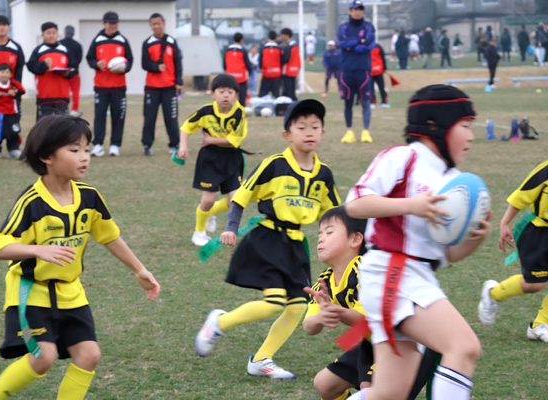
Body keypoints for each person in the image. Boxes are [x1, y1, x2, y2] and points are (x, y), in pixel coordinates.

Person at [0, 114, 160, 400]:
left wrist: (139, 270)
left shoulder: (90, 197)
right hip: (31, 292)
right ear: (46, 156)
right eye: (74, 150)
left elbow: (109, 235)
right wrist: (37, 249)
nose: (84, 158)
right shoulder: (32, 202)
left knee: (89, 355)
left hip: (71, 292)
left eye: (87, 150)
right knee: (44, 357)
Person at [345, 84, 492, 400]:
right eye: (465, 126)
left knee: (389, 394)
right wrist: (412, 205)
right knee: (463, 347)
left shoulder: (450, 179)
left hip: (413, 276)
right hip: (391, 273)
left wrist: (476, 239)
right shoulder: (403, 157)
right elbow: (355, 204)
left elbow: (448, 255)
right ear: (433, 125)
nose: (471, 136)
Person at [194, 99, 341, 379]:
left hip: (296, 246)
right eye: (301, 127)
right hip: (267, 238)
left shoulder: (324, 174)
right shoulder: (274, 165)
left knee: (298, 306)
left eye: (315, 126)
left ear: (322, 132)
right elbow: (241, 196)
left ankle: (261, 360)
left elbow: (333, 215)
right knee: (274, 302)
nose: (309, 131)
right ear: (287, 135)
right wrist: (232, 227)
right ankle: (219, 322)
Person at [304, 206, 439, 400]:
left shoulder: (369, 271)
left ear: (356, 239)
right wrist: (320, 317)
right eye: (320, 233)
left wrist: (335, 311)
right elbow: (309, 327)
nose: (321, 238)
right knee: (324, 384)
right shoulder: (323, 283)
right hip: (373, 343)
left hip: (408, 343)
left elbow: (364, 318)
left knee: (371, 391)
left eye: (329, 232)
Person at [478, 159, 548, 342]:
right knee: (534, 284)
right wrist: (504, 222)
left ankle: (540, 325)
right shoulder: (546, 170)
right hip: (539, 232)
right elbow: (522, 195)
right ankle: (493, 293)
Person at [177, 74, 247, 247]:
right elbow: (186, 127)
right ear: (213, 94)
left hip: (232, 157)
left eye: (230, 92)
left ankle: (211, 212)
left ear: (236, 96)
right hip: (210, 158)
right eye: (221, 91)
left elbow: (234, 140)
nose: (226, 95)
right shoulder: (205, 111)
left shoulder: (239, 113)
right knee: (207, 200)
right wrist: (183, 146)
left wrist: (211, 139)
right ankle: (198, 232)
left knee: (235, 200)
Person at [86, 11, 133, 157]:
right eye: (109, 23)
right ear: (103, 23)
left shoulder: (122, 40)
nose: (112, 26)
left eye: (115, 23)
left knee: (118, 116)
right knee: (99, 116)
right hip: (101, 86)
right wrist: (96, 64)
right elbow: (89, 58)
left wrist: (124, 67)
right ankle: (98, 145)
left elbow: (130, 61)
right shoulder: (97, 40)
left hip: (119, 86)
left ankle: (115, 145)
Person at [141, 12, 183, 157]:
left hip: (169, 87)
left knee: (171, 118)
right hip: (152, 88)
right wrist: (155, 66)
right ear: (150, 25)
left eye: (159, 23)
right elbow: (144, 63)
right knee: (149, 118)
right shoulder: (147, 43)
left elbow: (178, 63)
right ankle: (147, 145)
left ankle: (174, 144)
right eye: (153, 24)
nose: (156, 26)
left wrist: (179, 81)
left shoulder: (172, 42)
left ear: (163, 23)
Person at [337, 0, 375, 144]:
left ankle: (366, 131)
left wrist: (350, 45)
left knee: (365, 101)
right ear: (350, 11)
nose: (358, 12)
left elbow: (370, 44)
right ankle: (349, 131)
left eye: (360, 9)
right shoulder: (344, 27)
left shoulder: (369, 26)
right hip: (346, 69)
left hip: (363, 69)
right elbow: (341, 42)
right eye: (355, 9)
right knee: (348, 102)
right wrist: (359, 41)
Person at [26, 22, 75, 120]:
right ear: (43, 35)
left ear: (58, 35)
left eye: (54, 33)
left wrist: (68, 73)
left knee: (62, 128)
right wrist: (43, 64)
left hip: (62, 97)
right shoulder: (38, 50)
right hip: (44, 97)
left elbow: (74, 68)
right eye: (48, 33)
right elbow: (31, 67)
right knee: (43, 129)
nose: (51, 35)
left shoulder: (65, 50)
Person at [0, 63, 24, 160]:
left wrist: (15, 95)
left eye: (7, 72)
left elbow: (21, 92)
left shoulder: (14, 84)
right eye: (2, 72)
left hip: (12, 112)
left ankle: (13, 149)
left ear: (11, 74)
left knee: (13, 131)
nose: (5, 74)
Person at [0, 15, 24, 83]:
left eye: (4, 25)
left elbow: (19, 69)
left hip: (11, 90)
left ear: (8, 27)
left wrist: (16, 87)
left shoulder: (16, 47)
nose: (2, 27)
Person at [59, 26, 83, 118]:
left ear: (64, 32)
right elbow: (79, 59)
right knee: (75, 91)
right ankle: (74, 109)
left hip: (63, 71)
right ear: (74, 33)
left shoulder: (60, 43)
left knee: (63, 91)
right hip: (75, 71)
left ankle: (63, 108)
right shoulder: (77, 45)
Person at [223, 32, 252, 107]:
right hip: (241, 77)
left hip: (230, 77)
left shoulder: (227, 50)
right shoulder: (243, 50)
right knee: (242, 95)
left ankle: (229, 108)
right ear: (241, 40)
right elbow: (247, 64)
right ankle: (241, 109)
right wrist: (250, 72)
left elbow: (224, 64)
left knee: (230, 94)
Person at [258, 30, 282, 98]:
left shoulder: (263, 49)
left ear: (268, 38)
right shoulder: (279, 49)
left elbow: (260, 62)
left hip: (266, 75)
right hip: (276, 76)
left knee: (262, 96)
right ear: (276, 38)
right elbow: (282, 61)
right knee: (276, 96)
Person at [280, 28, 301, 101]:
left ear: (287, 36)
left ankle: (289, 104)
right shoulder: (295, 45)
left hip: (287, 70)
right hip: (294, 70)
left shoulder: (288, 46)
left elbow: (286, 59)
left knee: (287, 89)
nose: (282, 37)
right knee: (292, 89)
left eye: (283, 35)